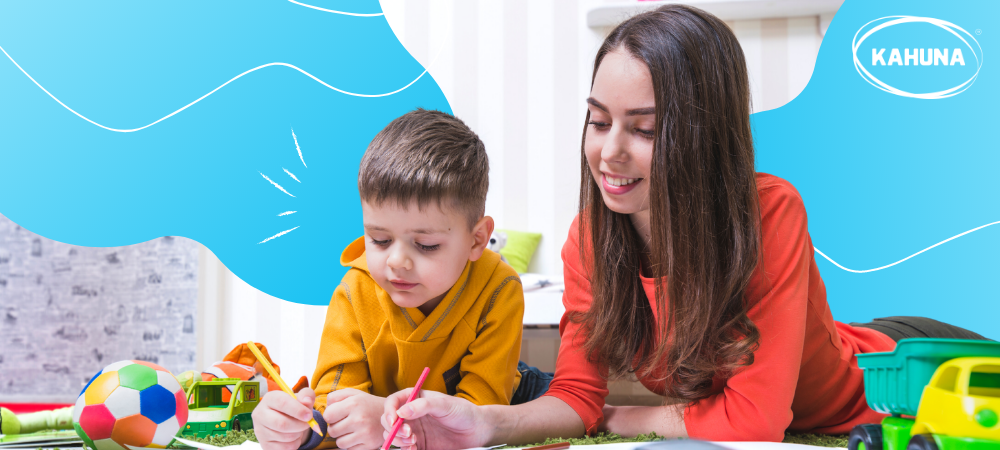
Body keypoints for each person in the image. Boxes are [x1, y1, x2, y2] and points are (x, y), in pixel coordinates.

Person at [378, 6, 991, 450]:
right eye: (597, 121)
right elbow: (574, 395)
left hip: (904, 366)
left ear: (702, 135)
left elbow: (754, 424)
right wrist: (482, 423)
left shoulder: (768, 212)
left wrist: (615, 417)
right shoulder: (589, 239)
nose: (609, 153)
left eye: (644, 130)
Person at [252, 109, 549, 450]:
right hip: (395, 405)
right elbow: (332, 406)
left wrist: (390, 420)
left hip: (506, 393)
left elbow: (480, 413)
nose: (396, 262)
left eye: (426, 245)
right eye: (379, 240)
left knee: (564, 406)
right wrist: (296, 429)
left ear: (477, 240)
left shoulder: (499, 289)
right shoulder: (354, 292)